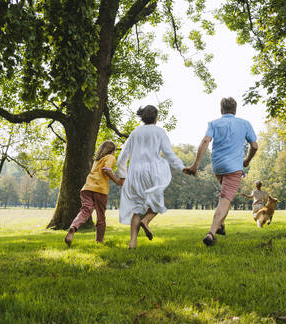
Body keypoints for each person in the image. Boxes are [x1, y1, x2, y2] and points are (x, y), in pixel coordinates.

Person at [183, 97, 258, 246]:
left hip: (218, 166)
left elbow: (205, 141)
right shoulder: (245, 124)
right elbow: (255, 146)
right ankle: (211, 233)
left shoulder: (214, 123)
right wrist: (247, 160)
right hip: (234, 167)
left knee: (226, 196)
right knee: (225, 199)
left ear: (221, 110)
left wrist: (195, 165)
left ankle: (221, 225)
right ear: (235, 110)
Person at [116, 105, 185, 249]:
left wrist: (122, 175)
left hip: (135, 173)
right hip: (152, 172)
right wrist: (182, 167)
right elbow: (169, 154)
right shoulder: (159, 132)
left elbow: (122, 157)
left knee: (137, 208)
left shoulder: (134, 133)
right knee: (157, 203)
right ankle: (146, 221)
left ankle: (132, 242)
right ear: (156, 117)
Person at [65, 140, 123, 247]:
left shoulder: (97, 160)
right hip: (100, 189)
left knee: (86, 210)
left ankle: (74, 227)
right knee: (101, 217)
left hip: (87, 188)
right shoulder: (110, 157)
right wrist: (117, 181)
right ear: (112, 150)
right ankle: (99, 241)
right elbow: (107, 169)